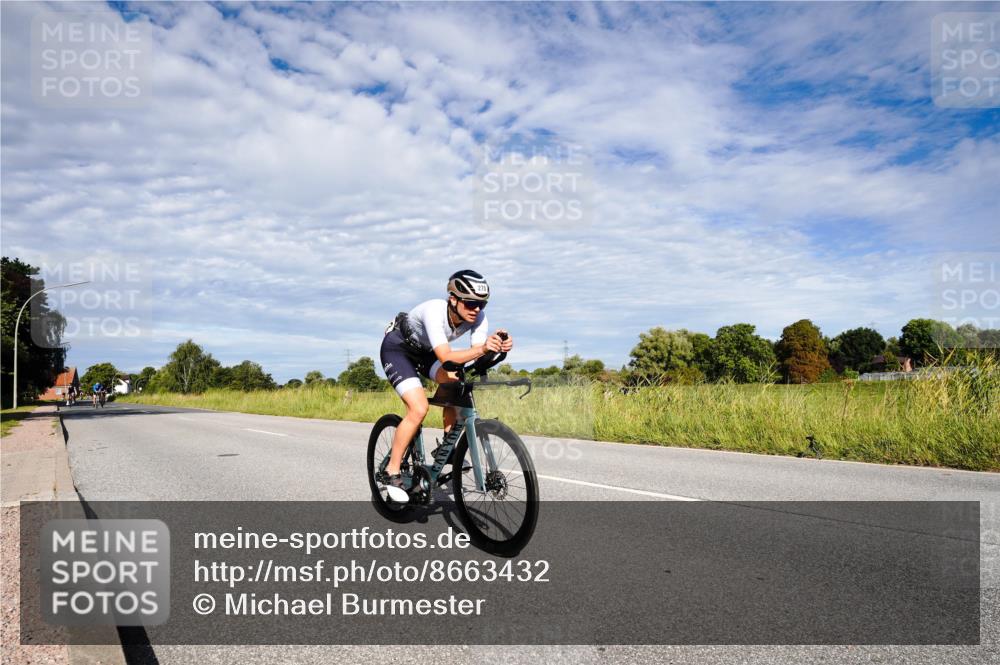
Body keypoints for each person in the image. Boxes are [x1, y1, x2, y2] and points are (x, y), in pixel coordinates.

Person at [378, 270, 513, 501]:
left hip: (425, 353)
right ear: (453, 298)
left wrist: (496, 349)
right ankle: (392, 469)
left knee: (457, 385)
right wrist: (483, 349)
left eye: (482, 303)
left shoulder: (479, 318)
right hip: (398, 349)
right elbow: (446, 356)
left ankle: (446, 448)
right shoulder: (434, 311)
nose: (477, 309)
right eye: (470, 303)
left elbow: (474, 357)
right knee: (419, 408)